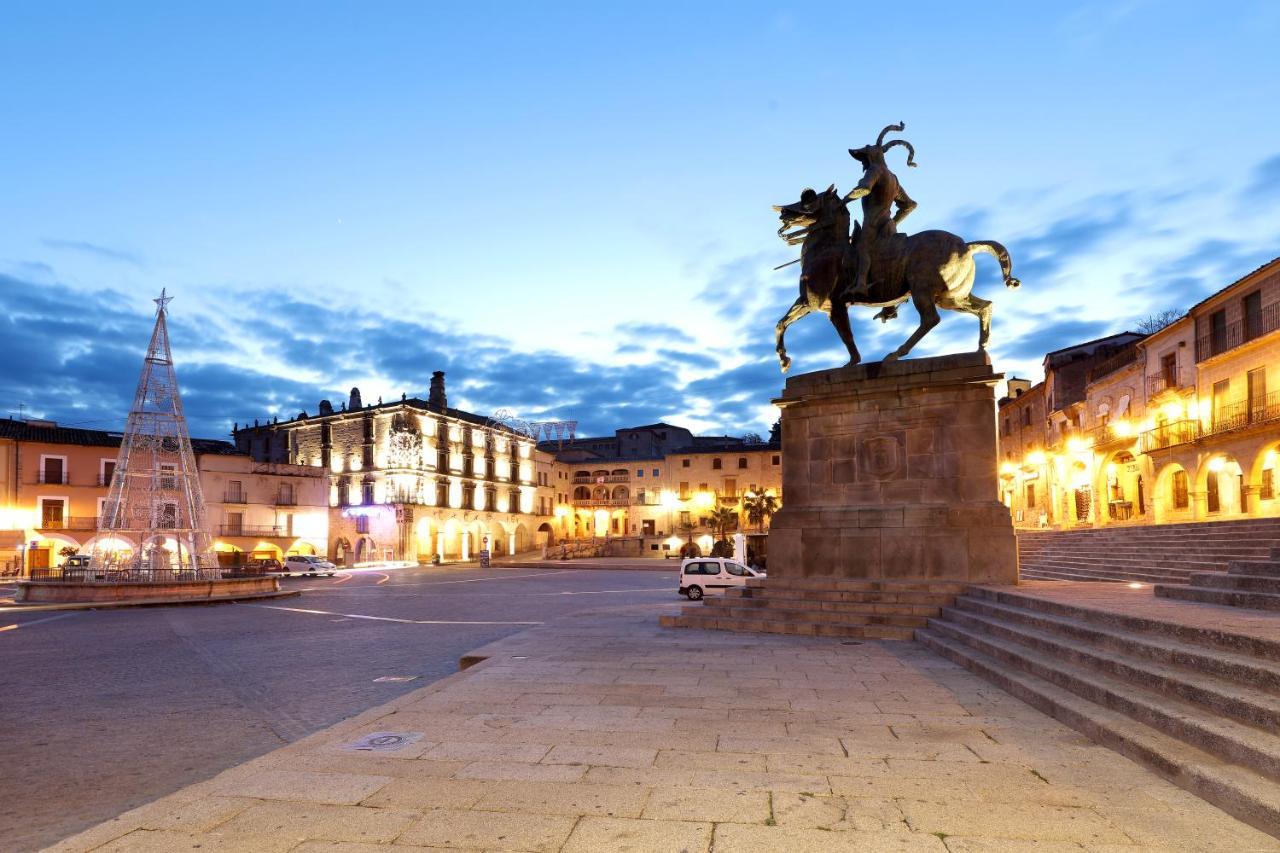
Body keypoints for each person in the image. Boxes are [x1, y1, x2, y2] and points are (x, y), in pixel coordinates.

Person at [843, 123, 918, 300]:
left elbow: (864, 188)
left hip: (872, 224)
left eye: (864, 157)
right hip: (889, 227)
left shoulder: (874, 170)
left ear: (871, 155)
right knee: (888, 257)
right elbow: (909, 205)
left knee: (862, 249)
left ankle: (861, 284)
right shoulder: (894, 178)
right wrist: (893, 222)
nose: (863, 161)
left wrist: (844, 201)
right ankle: (890, 306)